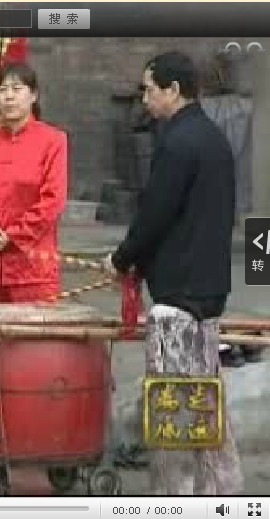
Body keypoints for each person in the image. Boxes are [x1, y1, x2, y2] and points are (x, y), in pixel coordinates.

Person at [103, 52, 243, 495]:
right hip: (208, 288)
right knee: (205, 396)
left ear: (173, 90)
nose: (144, 99)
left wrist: (122, 258)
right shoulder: (213, 139)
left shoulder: (178, 142)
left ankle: (175, 496)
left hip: (178, 296)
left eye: (149, 90)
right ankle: (221, 489)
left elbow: (155, 214)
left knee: (174, 408)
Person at [0, 62, 68, 304]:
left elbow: (52, 201)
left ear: (33, 95)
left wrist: (12, 235)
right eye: (2, 90)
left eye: (17, 89)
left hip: (34, 270)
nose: (8, 96)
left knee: (34, 329)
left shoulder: (53, 141)